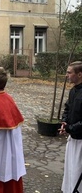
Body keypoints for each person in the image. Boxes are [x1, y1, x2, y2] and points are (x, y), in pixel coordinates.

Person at [60, 61, 82, 193]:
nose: (67, 75)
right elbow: (67, 108)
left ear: (79, 74)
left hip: (81, 141)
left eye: (69, 72)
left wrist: (71, 128)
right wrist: (64, 122)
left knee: (78, 170)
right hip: (73, 139)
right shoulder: (73, 91)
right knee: (71, 170)